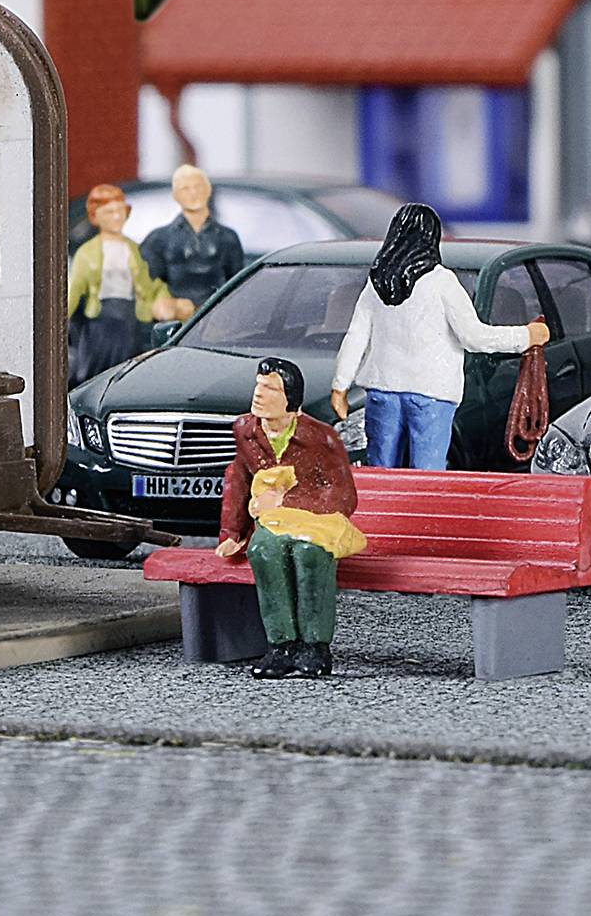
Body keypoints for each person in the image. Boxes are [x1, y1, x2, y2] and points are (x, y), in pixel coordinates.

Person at [333, 202, 547, 470]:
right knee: (428, 471)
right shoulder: (441, 282)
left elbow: (356, 337)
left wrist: (340, 386)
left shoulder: (377, 285)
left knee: (380, 471)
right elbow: (474, 337)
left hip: (382, 390)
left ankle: (383, 512)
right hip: (430, 393)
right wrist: (526, 336)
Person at [215, 358, 364, 679]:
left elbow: (343, 496)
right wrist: (231, 532)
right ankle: (281, 645)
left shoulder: (319, 437)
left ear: (291, 401)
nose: (259, 394)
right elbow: (238, 478)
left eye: (270, 388)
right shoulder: (247, 431)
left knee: (309, 553)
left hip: (318, 523)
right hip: (273, 523)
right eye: (258, 385)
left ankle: (315, 645)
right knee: (263, 550)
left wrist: (286, 498)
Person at [66, 183, 184, 384]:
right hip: (100, 320)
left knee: (124, 367)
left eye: (119, 212)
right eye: (108, 213)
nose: (115, 218)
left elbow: (151, 283)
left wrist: (163, 301)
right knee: (94, 370)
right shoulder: (87, 253)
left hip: (128, 318)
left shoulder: (134, 251)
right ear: (95, 217)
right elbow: (74, 289)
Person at [140, 164, 245, 317]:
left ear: (208, 190)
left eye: (198, 187)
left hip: (217, 319)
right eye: (185, 189)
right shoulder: (159, 238)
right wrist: (167, 306)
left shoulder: (227, 238)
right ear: (175, 195)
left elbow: (239, 286)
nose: (193, 193)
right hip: (173, 324)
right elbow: (144, 287)